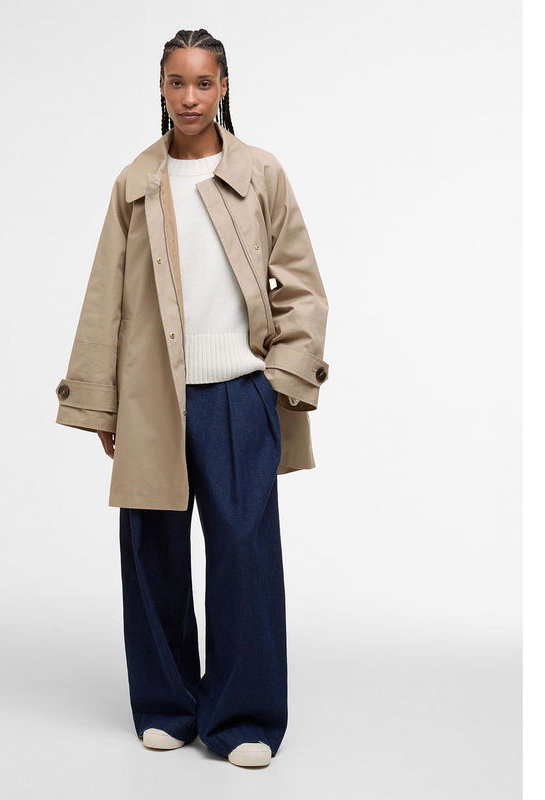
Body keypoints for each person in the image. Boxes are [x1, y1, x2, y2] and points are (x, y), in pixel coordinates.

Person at [54, 28, 329, 768]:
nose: (190, 97)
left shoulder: (261, 173)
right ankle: (168, 705)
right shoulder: (135, 182)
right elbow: (105, 299)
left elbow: (302, 286)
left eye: (204, 82)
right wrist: (102, 403)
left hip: (239, 394)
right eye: (177, 82)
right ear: (161, 87)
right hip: (153, 398)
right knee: (153, 555)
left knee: (244, 557)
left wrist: (280, 381)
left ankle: (244, 718)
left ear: (225, 87)